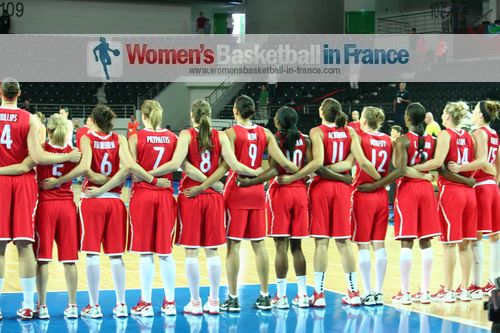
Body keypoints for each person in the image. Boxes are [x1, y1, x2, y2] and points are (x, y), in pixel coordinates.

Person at [44, 105, 160, 318]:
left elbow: (85, 166)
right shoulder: (120, 139)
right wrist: (111, 183)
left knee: (92, 256)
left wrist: (77, 181)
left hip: (93, 201)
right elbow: (128, 168)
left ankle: (94, 306)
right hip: (116, 201)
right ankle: (122, 304)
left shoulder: (86, 137)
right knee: (116, 257)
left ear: (93, 121)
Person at [148, 98, 262, 315]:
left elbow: (177, 165)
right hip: (214, 197)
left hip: (191, 196)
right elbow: (235, 165)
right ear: (210, 114)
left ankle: (195, 302)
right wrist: (258, 173)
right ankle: (214, 301)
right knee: (212, 252)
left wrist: (147, 174)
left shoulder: (185, 135)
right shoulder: (220, 135)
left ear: (192, 115)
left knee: (191, 253)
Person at [276, 99, 381, 307]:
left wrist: (298, 175)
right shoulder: (351, 133)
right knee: (344, 242)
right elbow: (355, 162)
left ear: (322, 111)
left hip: (321, 186)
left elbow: (318, 163)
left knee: (321, 242)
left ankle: (319, 294)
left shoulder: (317, 131)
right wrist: (378, 180)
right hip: (343, 189)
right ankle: (353, 291)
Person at [0, 78, 81, 320]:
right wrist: (68, 155)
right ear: (19, 93)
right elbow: (35, 157)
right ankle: (27, 304)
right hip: (24, 182)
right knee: (25, 246)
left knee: (0, 248)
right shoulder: (30, 118)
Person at [221, 95, 298, 312]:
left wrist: (252, 172)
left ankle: (233, 297)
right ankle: (265, 296)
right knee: (259, 245)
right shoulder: (265, 133)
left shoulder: (229, 133)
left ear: (235, 110)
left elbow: (232, 164)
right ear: (253, 111)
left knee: (233, 246)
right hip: (257, 192)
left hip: (237, 188)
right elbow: (283, 162)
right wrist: (302, 171)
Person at [413, 101, 495, 303]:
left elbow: (437, 162)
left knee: (449, 244)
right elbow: (481, 162)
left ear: (449, 116)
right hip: (470, 194)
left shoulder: (444, 134)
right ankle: (465, 290)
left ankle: (448, 290)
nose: (441, 115)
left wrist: (415, 169)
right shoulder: (469, 135)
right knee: (465, 245)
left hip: (451, 192)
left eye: (443, 112)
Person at [236, 106, 311, 309]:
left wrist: (253, 182)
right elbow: (310, 167)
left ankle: (281, 296)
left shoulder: (275, 138)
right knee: (297, 247)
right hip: (301, 192)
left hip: (281, 191)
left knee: (281, 246)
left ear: (277, 122)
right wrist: (299, 176)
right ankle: (303, 295)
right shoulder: (306, 139)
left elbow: (274, 170)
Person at [384, 103, 441, 305]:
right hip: (426, 191)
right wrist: (426, 177)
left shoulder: (402, 140)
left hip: (408, 189)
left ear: (407, 118)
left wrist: (421, 175)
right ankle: (425, 292)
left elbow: (400, 170)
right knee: (426, 241)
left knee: (407, 241)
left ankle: (406, 293)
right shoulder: (432, 140)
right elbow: (433, 171)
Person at [125, 100, 179, 317]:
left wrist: (147, 175)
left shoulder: (136, 137)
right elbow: (177, 164)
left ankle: (146, 302)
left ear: (143, 116)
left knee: (146, 253)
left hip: (144, 194)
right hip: (165, 195)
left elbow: (131, 167)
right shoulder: (173, 138)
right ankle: (170, 302)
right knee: (165, 253)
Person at [448, 101, 500, 298]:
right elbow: (497, 163)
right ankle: (495, 280)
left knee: (475, 237)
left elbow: (484, 160)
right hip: (492, 187)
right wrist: (495, 182)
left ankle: (476, 284)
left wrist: (460, 169)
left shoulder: (479, 132)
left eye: (475, 110)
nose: (473, 113)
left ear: (479, 115)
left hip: (480, 186)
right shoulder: (494, 133)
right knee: (495, 236)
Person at [35, 114, 80, 319]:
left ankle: (42, 306)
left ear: (49, 130)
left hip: (46, 206)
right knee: (70, 261)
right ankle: (72, 306)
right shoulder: (73, 153)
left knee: (42, 260)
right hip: (67, 207)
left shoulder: (41, 150)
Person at [350, 107, 392, 306]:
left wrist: (377, 180)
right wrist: (383, 182)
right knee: (379, 243)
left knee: (363, 244)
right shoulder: (387, 139)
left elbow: (364, 163)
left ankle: (367, 292)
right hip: (382, 195)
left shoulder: (359, 137)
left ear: (364, 120)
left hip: (363, 192)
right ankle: (379, 291)